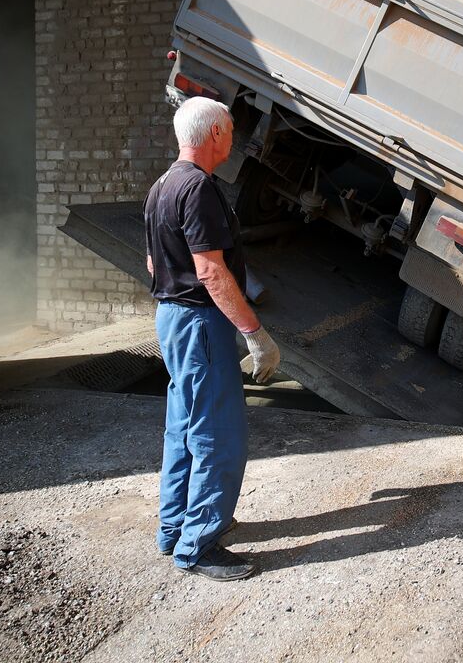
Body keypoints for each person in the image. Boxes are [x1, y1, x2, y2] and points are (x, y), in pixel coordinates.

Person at [143, 96, 281, 580]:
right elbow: (209, 270)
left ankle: (175, 528)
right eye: (228, 128)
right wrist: (254, 333)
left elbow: (154, 264)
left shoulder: (162, 186)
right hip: (200, 324)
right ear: (215, 136)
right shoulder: (198, 188)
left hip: (172, 319)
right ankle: (198, 545)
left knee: (183, 427)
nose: (232, 136)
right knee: (218, 433)